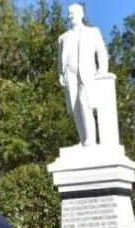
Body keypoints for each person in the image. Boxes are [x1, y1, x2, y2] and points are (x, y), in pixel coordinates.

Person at [57, 3, 108, 146]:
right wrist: (61, 74)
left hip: (87, 73)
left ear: (81, 14)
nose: (70, 16)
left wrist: (102, 70)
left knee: (85, 104)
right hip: (70, 74)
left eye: (72, 13)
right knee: (75, 107)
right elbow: (60, 59)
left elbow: (101, 52)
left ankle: (90, 140)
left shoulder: (92, 32)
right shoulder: (63, 37)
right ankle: (83, 139)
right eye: (69, 13)